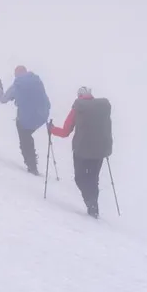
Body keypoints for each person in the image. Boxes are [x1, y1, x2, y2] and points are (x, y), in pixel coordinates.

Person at [48, 87, 113, 218]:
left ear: (79, 96)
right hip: (99, 151)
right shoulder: (102, 109)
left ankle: (90, 202)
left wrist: (52, 129)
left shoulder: (78, 108)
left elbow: (65, 132)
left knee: (80, 178)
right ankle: (94, 207)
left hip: (81, 151)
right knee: (93, 179)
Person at [0, 66, 51, 175]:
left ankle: (31, 165)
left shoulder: (17, 85)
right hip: (42, 116)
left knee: (24, 135)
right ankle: (32, 162)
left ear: (17, 74)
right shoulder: (37, 80)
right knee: (27, 133)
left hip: (27, 119)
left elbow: (3, 99)